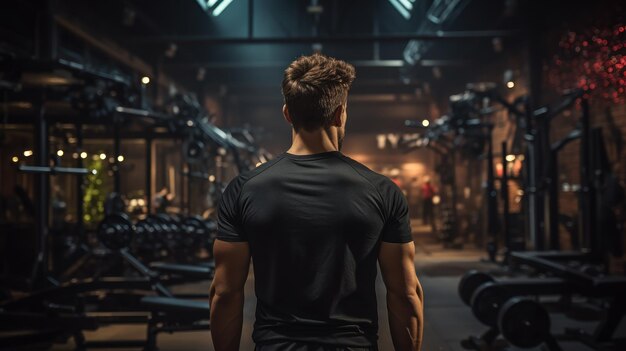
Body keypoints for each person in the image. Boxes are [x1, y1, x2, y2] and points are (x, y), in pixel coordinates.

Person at [210, 54, 424, 351]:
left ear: (287, 113)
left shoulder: (244, 189)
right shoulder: (382, 191)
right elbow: (405, 293)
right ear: (339, 114)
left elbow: (225, 293)